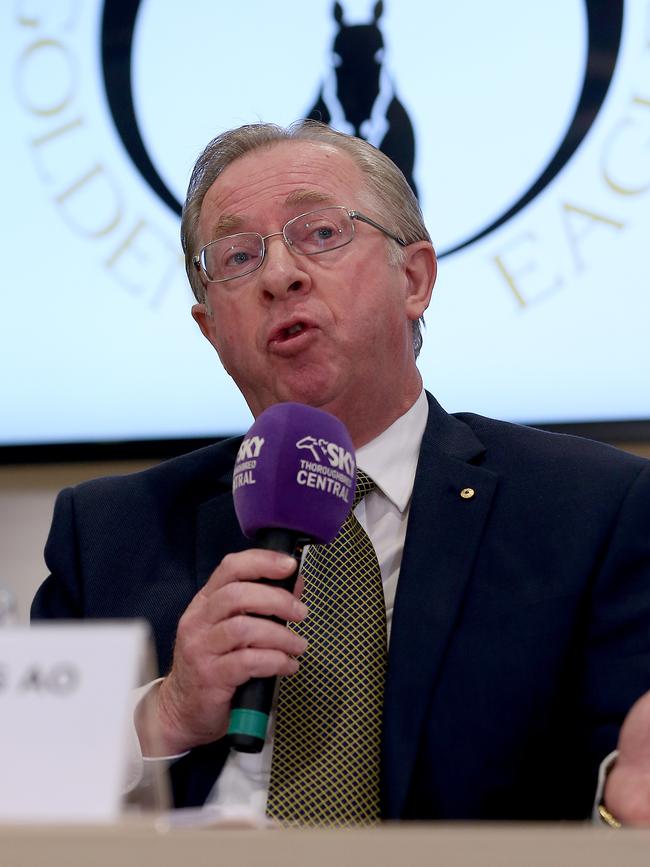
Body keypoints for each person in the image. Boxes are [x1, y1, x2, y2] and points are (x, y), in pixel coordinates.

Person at [32, 120, 650, 825]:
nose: (278, 275)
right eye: (237, 255)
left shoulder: (588, 509)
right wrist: (166, 713)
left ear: (413, 279)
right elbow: (22, 786)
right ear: (211, 330)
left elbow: (626, 776)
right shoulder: (110, 529)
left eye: (320, 233)